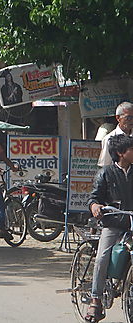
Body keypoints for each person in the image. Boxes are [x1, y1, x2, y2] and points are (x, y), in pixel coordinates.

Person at [86, 134, 133, 322]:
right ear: (121, 153)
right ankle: (95, 299)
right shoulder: (105, 173)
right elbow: (93, 197)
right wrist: (95, 206)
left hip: (131, 223)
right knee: (102, 258)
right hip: (113, 223)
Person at [98, 102, 133, 167]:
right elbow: (105, 165)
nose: (132, 121)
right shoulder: (109, 139)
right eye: (128, 118)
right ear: (118, 118)